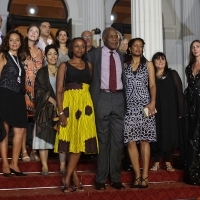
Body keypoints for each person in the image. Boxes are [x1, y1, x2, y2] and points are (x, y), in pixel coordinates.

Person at [54, 37, 98, 192]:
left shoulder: (89, 66)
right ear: (72, 49)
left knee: (80, 140)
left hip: (85, 106)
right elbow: (59, 91)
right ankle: (73, 178)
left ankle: (68, 177)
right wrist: (60, 112)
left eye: (82, 46)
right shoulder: (64, 66)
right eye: (76, 46)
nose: (79, 49)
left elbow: (90, 86)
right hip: (69, 106)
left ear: (85, 49)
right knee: (72, 139)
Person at [87, 27, 126, 190]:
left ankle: (115, 177)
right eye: (110, 37)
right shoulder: (94, 54)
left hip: (118, 98)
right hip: (101, 97)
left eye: (116, 37)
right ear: (103, 39)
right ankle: (101, 178)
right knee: (103, 140)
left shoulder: (122, 56)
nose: (114, 39)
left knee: (117, 141)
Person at [123, 38, 156, 188]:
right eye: (135, 45)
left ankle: (145, 175)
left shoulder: (148, 64)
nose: (138, 48)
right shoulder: (124, 65)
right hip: (129, 107)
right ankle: (136, 175)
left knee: (144, 140)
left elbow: (153, 85)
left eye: (141, 46)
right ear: (129, 48)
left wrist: (153, 102)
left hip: (145, 106)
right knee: (130, 141)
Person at [150, 52, 184, 172]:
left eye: (162, 59)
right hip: (156, 110)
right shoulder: (151, 75)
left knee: (169, 134)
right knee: (157, 133)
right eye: (157, 59)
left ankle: (168, 162)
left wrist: (181, 110)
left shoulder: (172, 73)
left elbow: (179, 92)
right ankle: (157, 161)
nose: (160, 61)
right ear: (153, 62)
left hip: (170, 110)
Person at [0, 30, 27, 176]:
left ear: (21, 42)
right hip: (4, 94)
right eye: (11, 40)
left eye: (17, 40)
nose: (14, 42)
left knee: (20, 130)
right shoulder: (3, 56)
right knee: (4, 129)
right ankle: (5, 163)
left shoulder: (19, 59)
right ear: (7, 42)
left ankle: (14, 163)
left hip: (18, 96)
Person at [33, 44, 58, 175]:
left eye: (55, 53)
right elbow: (38, 90)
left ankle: (63, 165)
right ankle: (44, 166)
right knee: (43, 137)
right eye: (50, 54)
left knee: (62, 137)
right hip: (45, 108)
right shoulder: (42, 72)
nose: (53, 56)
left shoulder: (62, 70)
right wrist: (52, 100)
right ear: (46, 56)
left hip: (60, 109)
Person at [21, 24, 45, 161]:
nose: (34, 33)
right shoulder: (21, 49)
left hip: (37, 91)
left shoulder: (41, 51)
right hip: (23, 90)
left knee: (36, 122)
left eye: (36, 32)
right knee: (23, 121)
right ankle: (23, 150)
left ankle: (34, 150)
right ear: (27, 32)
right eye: (32, 31)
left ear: (38, 35)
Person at [184, 40, 200, 185]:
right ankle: (193, 173)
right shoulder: (189, 68)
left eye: (198, 47)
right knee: (192, 136)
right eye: (193, 47)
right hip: (191, 105)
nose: (195, 49)